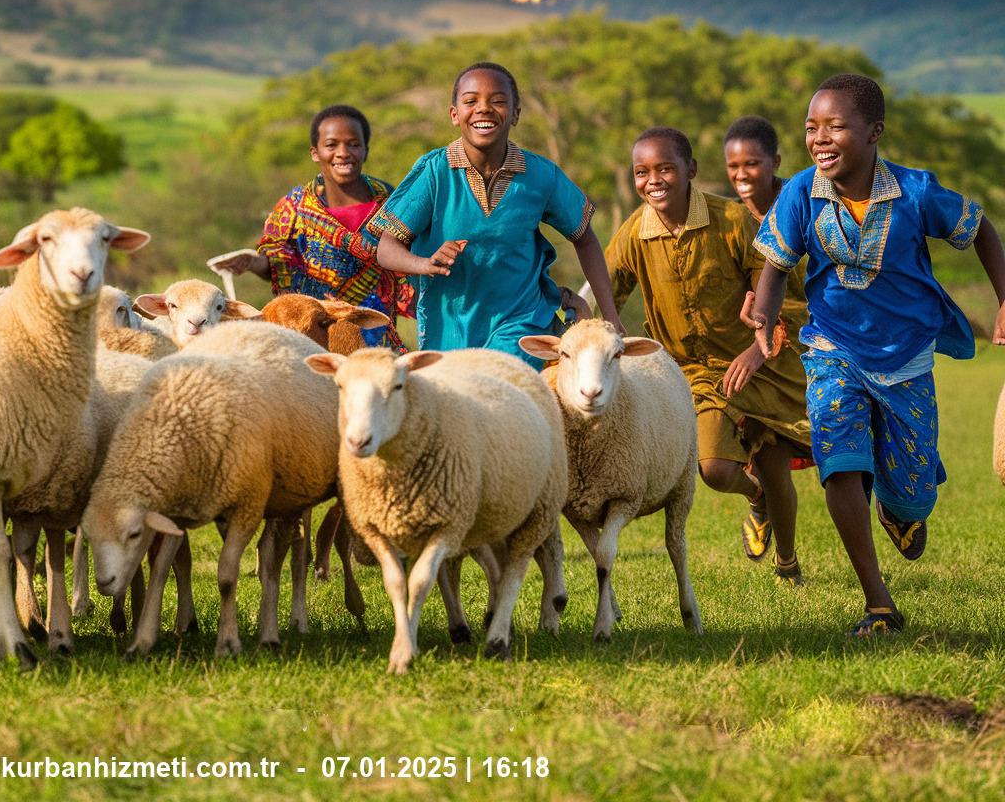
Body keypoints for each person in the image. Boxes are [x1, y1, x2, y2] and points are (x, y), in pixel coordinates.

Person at [749, 73, 1005, 636]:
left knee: (912, 499)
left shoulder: (914, 192)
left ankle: (899, 509)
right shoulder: (799, 192)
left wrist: (1004, 300)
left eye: (836, 126)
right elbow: (775, 264)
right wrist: (763, 320)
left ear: (874, 133)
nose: (820, 138)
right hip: (832, 347)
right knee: (841, 465)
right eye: (812, 127)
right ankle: (879, 605)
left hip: (907, 356)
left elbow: (981, 228)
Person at [606, 126, 812, 584]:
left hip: (761, 360)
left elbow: (775, 289)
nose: (653, 180)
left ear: (691, 171)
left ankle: (788, 563)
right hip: (694, 373)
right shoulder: (633, 233)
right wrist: (581, 325)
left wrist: (755, 351)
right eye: (642, 172)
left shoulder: (733, 220)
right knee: (716, 469)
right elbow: (606, 290)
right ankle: (752, 495)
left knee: (777, 462)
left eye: (665, 169)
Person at [368, 61, 623, 368]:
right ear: (454, 115)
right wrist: (425, 263)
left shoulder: (541, 176)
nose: (484, 109)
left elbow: (584, 238)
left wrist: (610, 317)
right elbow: (387, 247)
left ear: (515, 114)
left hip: (521, 322)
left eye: (498, 101)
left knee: (503, 386)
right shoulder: (434, 173)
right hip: (449, 327)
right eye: (471, 101)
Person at [217, 104, 413, 350]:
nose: (342, 153)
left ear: (366, 150)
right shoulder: (294, 207)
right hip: (307, 334)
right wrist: (250, 262)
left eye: (353, 144)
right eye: (331, 145)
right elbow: (276, 264)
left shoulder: (390, 202)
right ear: (315, 152)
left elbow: (407, 257)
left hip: (372, 330)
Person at [725, 115, 815, 483]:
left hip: (813, 339)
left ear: (775, 162)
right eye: (733, 166)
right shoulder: (730, 219)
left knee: (837, 444)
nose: (741, 174)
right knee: (756, 441)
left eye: (752, 163)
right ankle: (759, 497)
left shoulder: (805, 203)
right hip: (754, 339)